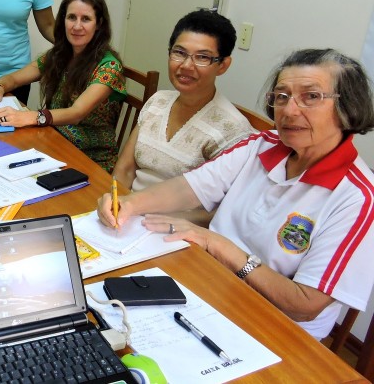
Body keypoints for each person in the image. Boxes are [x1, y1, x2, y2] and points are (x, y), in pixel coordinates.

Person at [97, 48, 374, 340]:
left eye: (311, 96)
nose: (290, 110)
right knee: (106, 317)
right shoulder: (262, 145)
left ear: (348, 108)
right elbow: (189, 188)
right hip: (208, 281)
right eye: (281, 96)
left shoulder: (358, 198)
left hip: (274, 328)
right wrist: (128, 203)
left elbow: (304, 305)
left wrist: (215, 243)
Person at [0, 0, 126, 172]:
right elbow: (14, 78)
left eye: (86, 19)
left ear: (99, 24)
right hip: (53, 141)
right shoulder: (59, 55)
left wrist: (31, 116)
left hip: (90, 159)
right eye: (71, 17)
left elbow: (76, 113)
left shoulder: (109, 67)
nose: (77, 26)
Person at [112, 9, 254, 193]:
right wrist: (114, 202)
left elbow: (221, 210)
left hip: (175, 221)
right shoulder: (158, 101)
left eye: (203, 57)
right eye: (179, 52)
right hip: (127, 211)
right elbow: (125, 169)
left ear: (223, 65)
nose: (186, 66)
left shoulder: (233, 130)